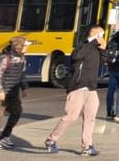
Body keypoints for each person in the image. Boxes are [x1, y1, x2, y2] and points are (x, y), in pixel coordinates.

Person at [45, 26, 109, 156]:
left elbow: (104, 61)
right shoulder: (82, 47)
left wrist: (103, 50)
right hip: (77, 87)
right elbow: (77, 56)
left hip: (91, 88)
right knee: (70, 117)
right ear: (94, 35)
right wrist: (93, 42)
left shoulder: (95, 49)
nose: (103, 37)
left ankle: (87, 146)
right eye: (101, 34)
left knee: (90, 118)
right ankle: (51, 140)